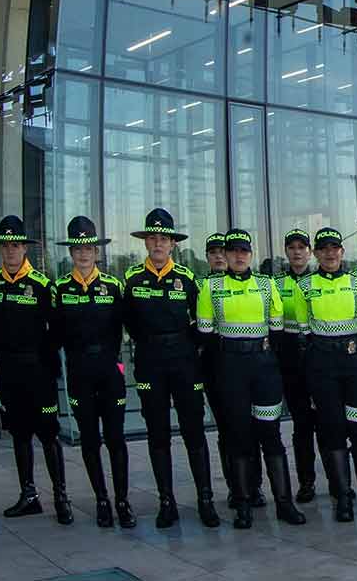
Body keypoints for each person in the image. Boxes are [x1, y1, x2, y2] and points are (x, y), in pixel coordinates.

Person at [196, 229, 307, 528]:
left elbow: (278, 332)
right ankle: (243, 504)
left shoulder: (266, 284)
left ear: (251, 254)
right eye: (233, 251)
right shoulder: (211, 287)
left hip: (264, 368)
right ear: (226, 254)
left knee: (271, 435)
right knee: (239, 436)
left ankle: (284, 503)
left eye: (244, 251)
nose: (239, 256)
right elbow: (206, 335)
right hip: (230, 368)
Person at [121, 209, 222, 529]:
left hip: (184, 361)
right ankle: (167, 502)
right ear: (145, 242)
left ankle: (205, 499)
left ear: (173, 244)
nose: (158, 244)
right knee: (158, 433)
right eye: (152, 238)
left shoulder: (187, 278)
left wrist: (186, 346)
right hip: (150, 360)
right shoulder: (132, 278)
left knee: (194, 431)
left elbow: (201, 320)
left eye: (163, 239)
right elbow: (128, 321)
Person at [290, 227, 357, 522]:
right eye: (324, 249)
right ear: (316, 254)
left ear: (342, 252)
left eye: (335, 248)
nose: (330, 253)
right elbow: (303, 328)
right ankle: (343, 496)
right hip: (322, 365)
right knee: (332, 430)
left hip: (356, 364)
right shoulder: (304, 286)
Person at [0, 215, 69, 525]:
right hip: (8, 369)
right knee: (19, 433)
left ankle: (61, 497)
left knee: (48, 433)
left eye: (15, 245)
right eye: (5, 246)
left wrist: (45, 361)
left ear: (25, 248)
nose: (10, 251)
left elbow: (57, 330)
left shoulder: (42, 285)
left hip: (38, 372)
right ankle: (28, 495)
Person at [52, 216, 135, 528]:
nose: (83, 254)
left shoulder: (113, 286)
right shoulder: (60, 288)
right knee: (89, 439)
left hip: (109, 372)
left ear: (96, 251)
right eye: (78, 248)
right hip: (79, 372)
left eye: (88, 248)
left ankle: (122, 501)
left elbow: (127, 328)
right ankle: (102, 499)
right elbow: (54, 334)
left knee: (116, 438)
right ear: (71, 252)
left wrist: (121, 363)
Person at [200, 231, 250, 507]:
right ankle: (235, 486)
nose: (219, 256)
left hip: (246, 366)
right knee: (227, 429)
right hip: (214, 368)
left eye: (223, 251)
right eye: (214, 252)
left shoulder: (248, 283)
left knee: (251, 427)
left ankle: (253, 485)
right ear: (207, 257)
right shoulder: (201, 286)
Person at [272, 229, 319, 505]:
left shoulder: (320, 280)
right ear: (286, 252)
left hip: (319, 356)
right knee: (302, 425)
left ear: (310, 252)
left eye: (302, 247)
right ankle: (306, 482)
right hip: (290, 359)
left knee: (327, 424)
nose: (297, 252)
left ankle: (339, 484)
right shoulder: (276, 283)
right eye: (292, 247)